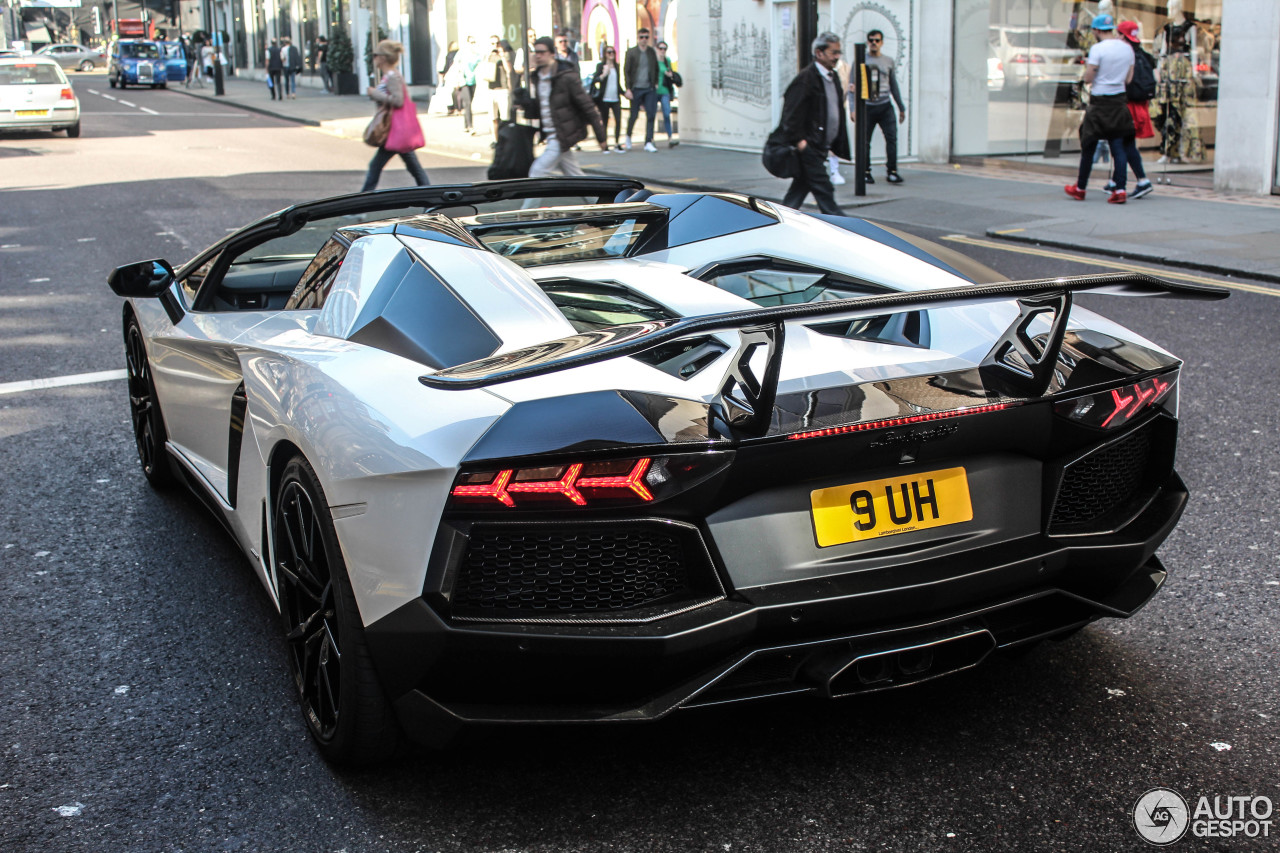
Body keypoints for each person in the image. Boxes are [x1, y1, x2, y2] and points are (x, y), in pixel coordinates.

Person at [770, 31, 850, 216]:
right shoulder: (806, 79)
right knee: (824, 191)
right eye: (833, 52)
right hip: (809, 147)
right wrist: (801, 143)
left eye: (839, 52)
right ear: (819, 53)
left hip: (821, 145)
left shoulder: (833, 77)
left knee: (799, 189)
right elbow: (790, 114)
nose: (837, 57)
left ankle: (781, 220)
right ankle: (844, 229)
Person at [1064, 14, 1134, 204]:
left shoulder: (1097, 49)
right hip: (1119, 102)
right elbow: (1128, 79)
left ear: (1096, 30)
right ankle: (1120, 190)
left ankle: (1080, 188)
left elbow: (1088, 77)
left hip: (1099, 102)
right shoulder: (1127, 49)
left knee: (1088, 145)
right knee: (1118, 147)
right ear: (1111, 28)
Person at [516, 36, 606, 178]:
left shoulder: (566, 76)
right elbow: (541, 110)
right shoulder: (537, 77)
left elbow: (588, 107)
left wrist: (601, 137)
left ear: (552, 53)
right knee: (576, 177)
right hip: (551, 134)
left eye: (542, 52)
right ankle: (599, 200)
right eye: (536, 52)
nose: (538, 55)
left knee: (537, 172)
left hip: (561, 134)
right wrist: (525, 103)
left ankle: (527, 202)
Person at [360, 40, 430, 192]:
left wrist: (375, 94)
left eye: (375, 55)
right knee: (415, 168)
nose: (374, 58)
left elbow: (398, 101)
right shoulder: (391, 75)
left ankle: (359, 209)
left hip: (394, 129)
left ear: (383, 58)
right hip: (396, 130)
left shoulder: (392, 76)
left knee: (375, 167)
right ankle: (432, 199)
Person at [1106, 20, 1156, 200]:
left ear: (1122, 36)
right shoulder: (1142, 53)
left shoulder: (1125, 54)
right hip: (1139, 105)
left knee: (1123, 144)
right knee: (1125, 143)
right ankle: (1116, 182)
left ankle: (1139, 180)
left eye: (1118, 34)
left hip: (1127, 105)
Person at [855, 29, 906, 185]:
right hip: (868, 107)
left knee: (891, 139)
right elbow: (853, 85)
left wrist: (901, 107)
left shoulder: (888, 61)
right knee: (865, 142)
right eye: (871, 40)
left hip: (885, 105)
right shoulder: (861, 60)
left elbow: (893, 85)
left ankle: (892, 171)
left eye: (877, 40)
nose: (874, 43)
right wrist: (853, 108)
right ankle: (866, 172)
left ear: (882, 42)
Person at [622, 28, 659, 152]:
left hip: (649, 88)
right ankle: (628, 136)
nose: (644, 40)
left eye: (646, 37)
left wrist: (656, 83)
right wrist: (628, 88)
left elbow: (656, 68)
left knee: (651, 114)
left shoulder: (651, 52)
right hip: (636, 88)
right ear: (638, 38)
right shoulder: (632, 52)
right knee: (634, 115)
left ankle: (648, 141)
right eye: (642, 37)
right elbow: (626, 71)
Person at [590, 45, 624, 151]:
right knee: (604, 122)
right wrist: (604, 74)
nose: (611, 55)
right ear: (605, 54)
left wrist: (624, 93)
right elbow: (595, 80)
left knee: (618, 120)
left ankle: (617, 143)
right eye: (609, 52)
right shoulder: (601, 66)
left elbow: (617, 84)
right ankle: (605, 145)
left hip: (615, 98)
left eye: (613, 52)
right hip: (604, 99)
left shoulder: (617, 66)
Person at [485, 36, 515, 146]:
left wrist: (502, 55)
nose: (495, 46)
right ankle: (495, 139)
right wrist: (488, 54)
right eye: (492, 44)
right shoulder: (488, 56)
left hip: (502, 90)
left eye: (497, 43)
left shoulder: (505, 55)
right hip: (491, 89)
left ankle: (505, 140)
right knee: (493, 118)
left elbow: (509, 70)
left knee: (504, 117)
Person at [654, 40, 678, 148]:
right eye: (660, 48)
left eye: (664, 49)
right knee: (652, 115)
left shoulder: (667, 61)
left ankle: (670, 137)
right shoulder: (654, 62)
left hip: (665, 91)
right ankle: (650, 138)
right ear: (657, 49)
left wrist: (670, 75)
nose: (662, 51)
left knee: (667, 113)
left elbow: (671, 74)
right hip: (654, 91)